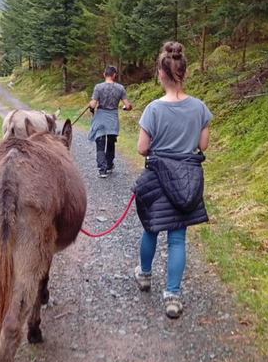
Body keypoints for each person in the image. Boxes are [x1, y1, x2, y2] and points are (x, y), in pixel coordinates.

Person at [132, 42, 212, 318]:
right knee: (177, 239)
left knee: (151, 228)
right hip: (186, 179)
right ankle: (173, 296)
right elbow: (203, 144)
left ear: (160, 74)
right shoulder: (200, 108)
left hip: (157, 179)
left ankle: (144, 275)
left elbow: (142, 148)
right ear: (185, 72)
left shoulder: (153, 110)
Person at [87, 65, 132, 178]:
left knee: (100, 143)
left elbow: (93, 104)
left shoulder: (98, 87)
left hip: (101, 117)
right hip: (112, 117)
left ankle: (102, 170)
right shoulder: (120, 88)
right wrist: (126, 108)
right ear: (114, 75)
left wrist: (90, 105)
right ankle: (109, 165)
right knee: (111, 143)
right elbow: (128, 105)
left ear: (104, 75)